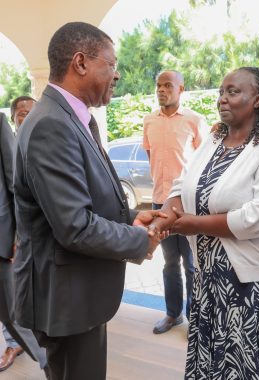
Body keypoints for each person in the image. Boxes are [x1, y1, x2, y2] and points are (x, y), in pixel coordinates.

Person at [13, 22, 164, 380]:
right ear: (80, 63)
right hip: (66, 302)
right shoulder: (52, 124)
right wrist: (140, 240)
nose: (117, 75)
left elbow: (89, 201)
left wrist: (130, 219)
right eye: (111, 65)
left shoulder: (74, 118)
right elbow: (75, 227)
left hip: (79, 296)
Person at [150, 67, 259, 379]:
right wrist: (167, 213)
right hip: (212, 284)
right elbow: (182, 185)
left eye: (233, 92)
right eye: (221, 91)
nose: (222, 98)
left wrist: (196, 224)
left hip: (257, 288)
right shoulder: (213, 141)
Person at [143, 70, 209, 334]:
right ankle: (173, 314)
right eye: (159, 85)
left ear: (181, 89)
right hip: (160, 204)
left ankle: (196, 319)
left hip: (188, 206)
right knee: (170, 263)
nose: (162, 90)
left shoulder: (194, 120)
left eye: (168, 85)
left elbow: (205, 162)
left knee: (192, 265)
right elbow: (151, 157)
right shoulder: (149, 121)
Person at [0, 111, 47, 376]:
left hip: (2, 239)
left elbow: (14, 182)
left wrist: (17, 235)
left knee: (10, 312)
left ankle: (49, 362)